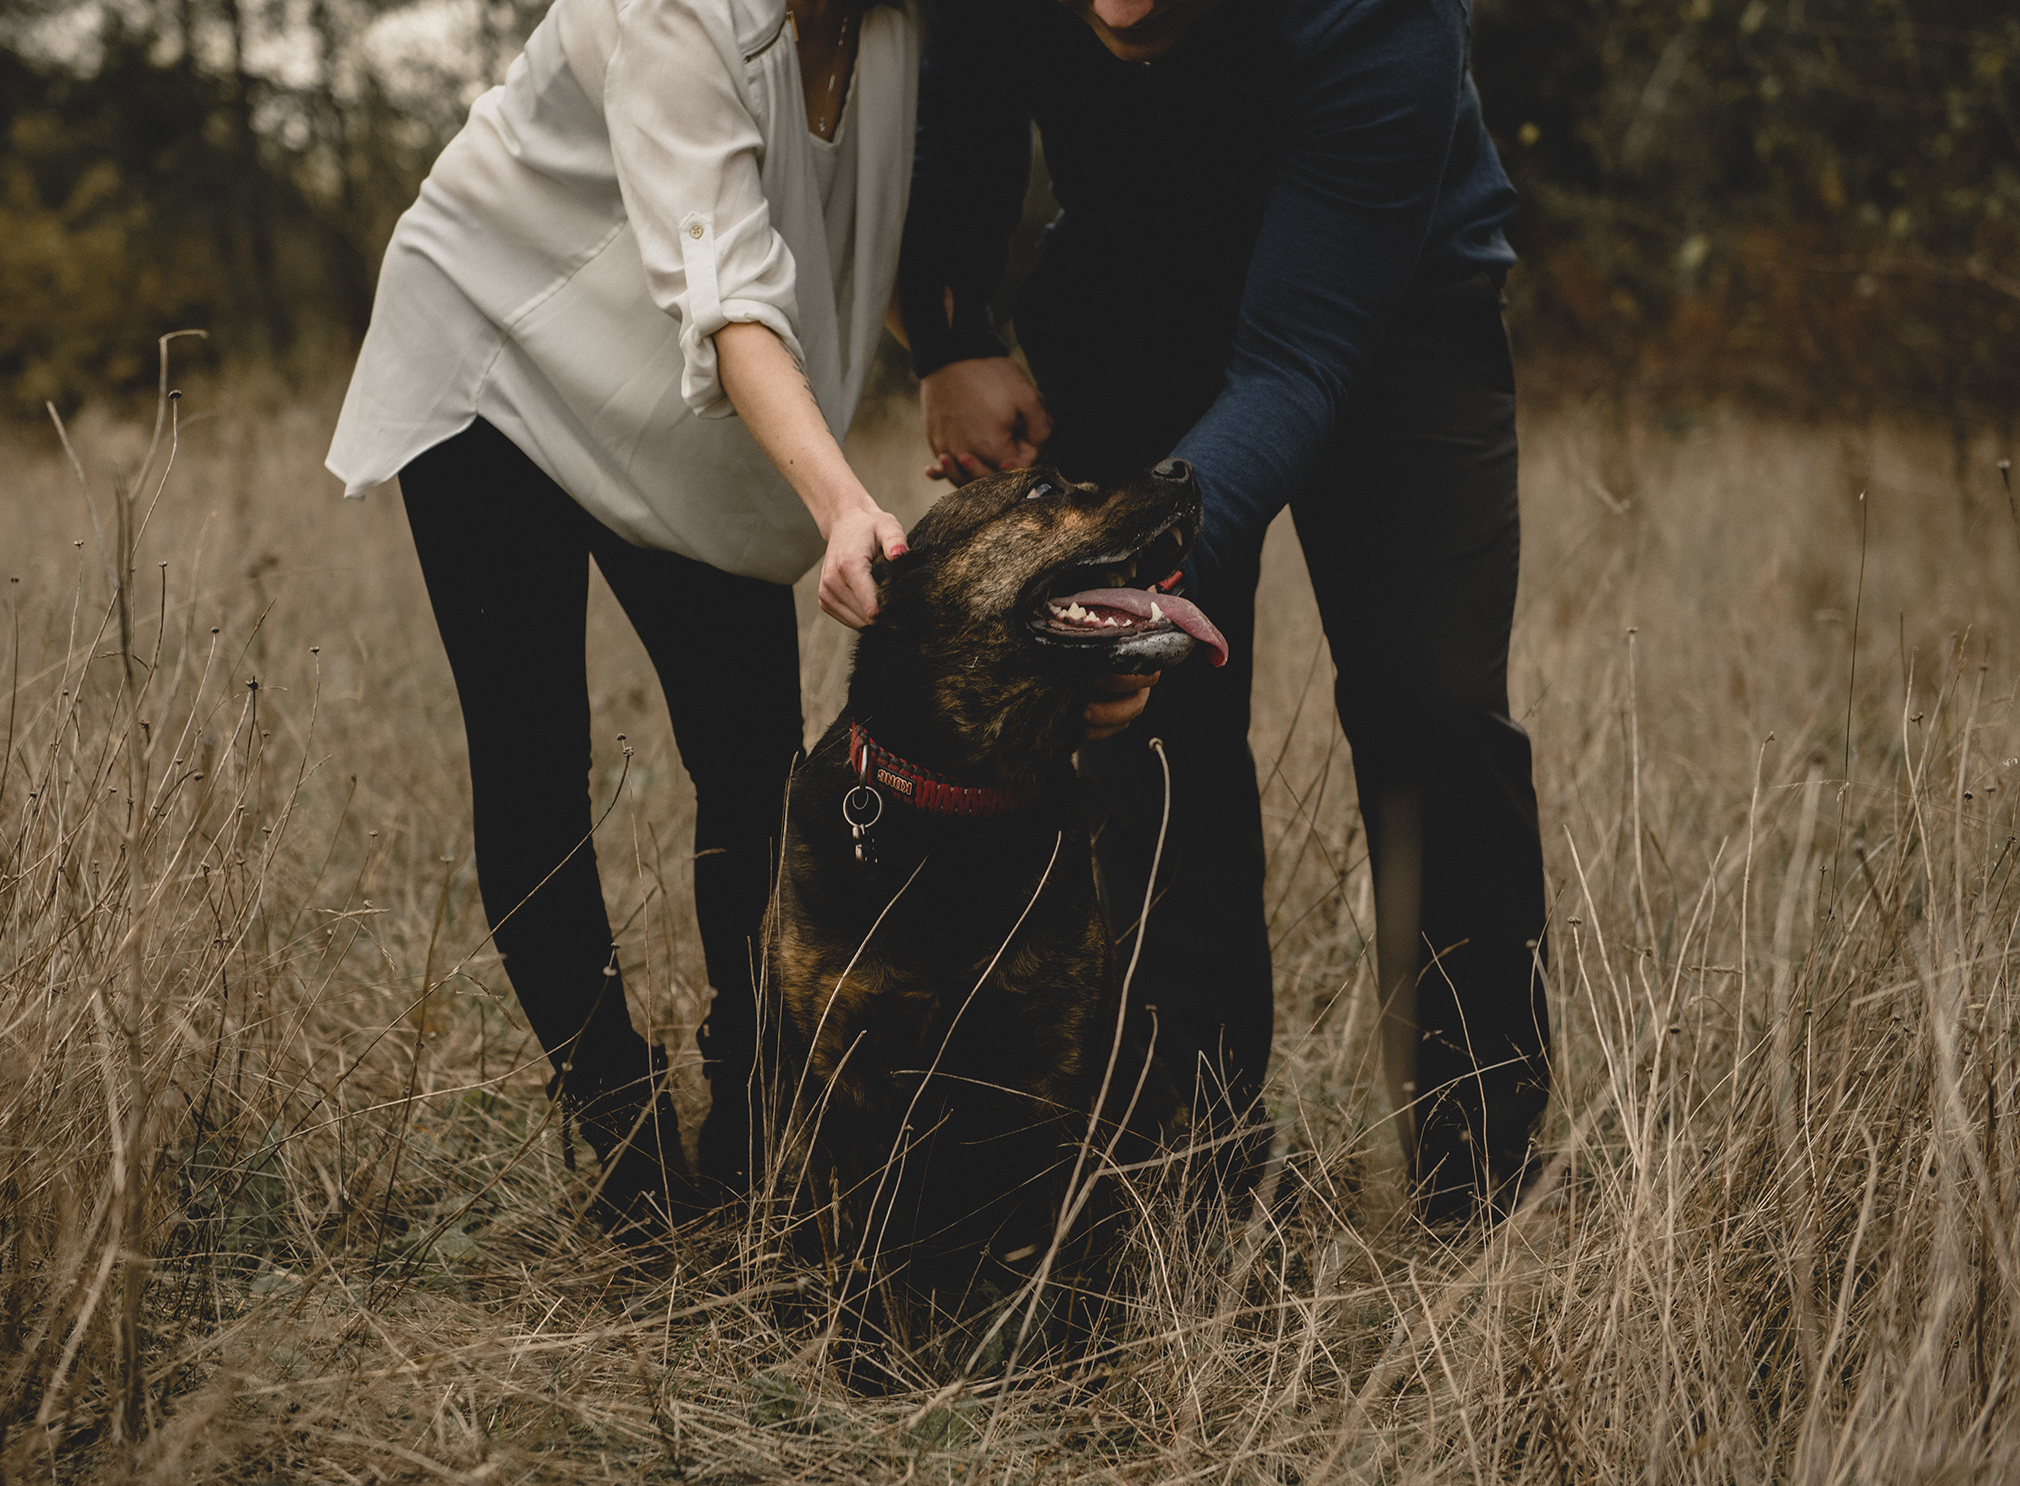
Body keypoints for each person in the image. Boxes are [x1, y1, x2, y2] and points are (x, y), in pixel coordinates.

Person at [898, 0, 1551, 1222]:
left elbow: (1295, 361)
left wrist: (1155, 567)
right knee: (1142, 721)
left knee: (1434, 705)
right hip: (1134, 298)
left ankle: (1482, 1173)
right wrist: (950, 338)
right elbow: (964, 96)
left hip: (1394, 299)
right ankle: (1180, 1164)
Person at [325, 0, 926, 1228]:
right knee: (534, 749)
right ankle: (620, 1127)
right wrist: (842, 500)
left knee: (755, 758)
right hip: (500, 344)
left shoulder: (907, 24)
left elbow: (874, 220)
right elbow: (731, 291)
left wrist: (965, 343)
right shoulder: (673, 9)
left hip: (682, 405)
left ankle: (757, 1118)